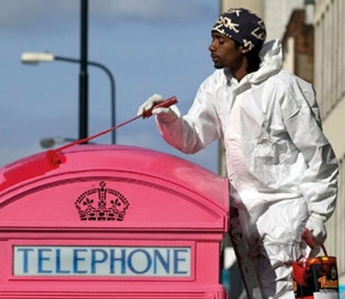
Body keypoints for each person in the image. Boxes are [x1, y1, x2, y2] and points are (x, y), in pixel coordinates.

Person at [137, 8, 338, 299]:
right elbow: (193, 137)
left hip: (287, 211)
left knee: (288, 292)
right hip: (245, 217)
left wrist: (318, 213)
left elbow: (319, 155)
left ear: (243, 46)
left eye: (221, 39)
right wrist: (168, 117)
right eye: (212, 38)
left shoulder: (283, 89)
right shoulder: (216, 87)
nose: (211, 46)